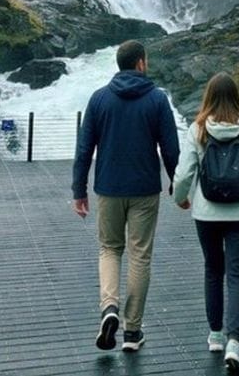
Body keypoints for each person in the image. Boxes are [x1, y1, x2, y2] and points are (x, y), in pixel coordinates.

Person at [72, 40, 180, 352]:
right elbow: (171, 150)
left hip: (108, 187)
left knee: (109, 249)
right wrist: (177, 183)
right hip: (145, 189)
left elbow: (83, 150)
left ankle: (109, 308)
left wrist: (79, 191)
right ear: (141, 64)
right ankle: (132, 332)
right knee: (139, 255)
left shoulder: (99, 99)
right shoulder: (158, 100)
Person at [173, 72, 239, 372]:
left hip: (207, 212)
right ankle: (234, 342)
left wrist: (181, 196)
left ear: (209, 96)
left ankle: (215, 334)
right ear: (236, 96)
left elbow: (185, 170)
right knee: (237, 275)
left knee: (213, 270)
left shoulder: (199, 128)